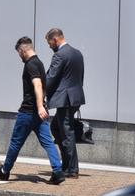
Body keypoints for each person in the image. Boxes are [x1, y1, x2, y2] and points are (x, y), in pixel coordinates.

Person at [0, 36, 65, 185]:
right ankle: (58, 171)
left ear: (23, 50)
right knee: (48, 143)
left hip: (28, 112)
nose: (19, 56)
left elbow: (37, 85)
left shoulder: (31, 64)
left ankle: (4, 171)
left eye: (18, 53)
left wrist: (40, 106)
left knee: (16, 142)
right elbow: (42, 86)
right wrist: (42, 105)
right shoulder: (40, 63)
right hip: (39, 114)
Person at [45, 28, 85, 179]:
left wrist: (40, 92)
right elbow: (80, 76)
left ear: (55, 40)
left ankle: (72, 169)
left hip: (65, 99)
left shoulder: (60, 55)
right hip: (75, 97)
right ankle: (67, 164)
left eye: (49, 43)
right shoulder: (77, 53)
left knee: (66, 132)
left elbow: (51, 78)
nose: (50, 47)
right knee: (56, 127)